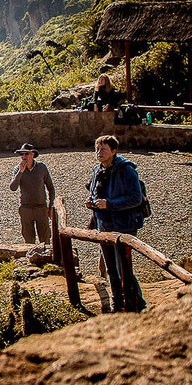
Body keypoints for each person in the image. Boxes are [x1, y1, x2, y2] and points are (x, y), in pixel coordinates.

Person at [86, 134, 146, 313]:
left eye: (103, 149)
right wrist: (92, 201)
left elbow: (136, 199)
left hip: (123, 226)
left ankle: (136, 304)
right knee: (111, 268)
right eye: (97, 149)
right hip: (104, 225)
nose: (99, 152)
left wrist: (109, 204)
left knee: (123, 269)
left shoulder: (126, 170)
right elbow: (95, 191)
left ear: (114, 151)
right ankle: (117, 303)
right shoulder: (98, 170)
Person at [9, 143, 55, 244]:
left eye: (26, 154)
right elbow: (13, 187)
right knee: (28, 239)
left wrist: (51, 205)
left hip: (41, 207)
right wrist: (20, 172)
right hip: (25, 208)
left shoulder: (41, 167)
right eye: (22, 154)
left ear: (32, 155)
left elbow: (51, 188)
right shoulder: (18, 169)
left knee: (45, 238)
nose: (24, 157)